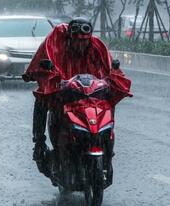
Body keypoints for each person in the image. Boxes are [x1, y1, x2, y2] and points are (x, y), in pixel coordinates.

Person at [22, 17, 132, 178]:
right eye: (77, 41)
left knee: (109, 99)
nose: (81, 45)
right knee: (42, 98)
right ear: (70, 39)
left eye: (84, 41)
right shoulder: (57, 44)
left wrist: (112, 79)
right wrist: (49, 77)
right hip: (65, 89)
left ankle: (107, 143)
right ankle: (38, 142)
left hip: (90, 93)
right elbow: (43, 61)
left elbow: (109, 70)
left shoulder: (96, 47)